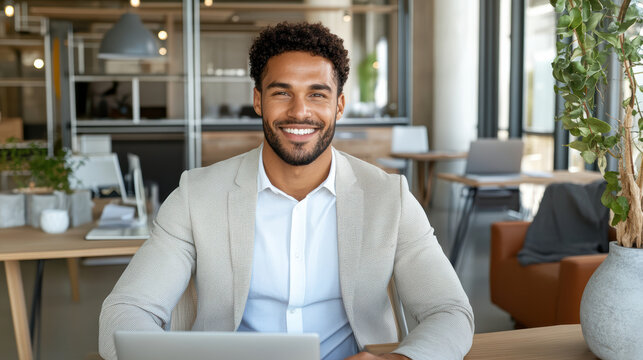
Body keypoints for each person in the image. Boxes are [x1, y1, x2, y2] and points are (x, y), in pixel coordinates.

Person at [99, 22, 474, 360]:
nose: (300, 112)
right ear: (258, 100)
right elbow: (126, 310)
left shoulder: (389, 197)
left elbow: (450, 311)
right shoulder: (196, 195)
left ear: (339, 105)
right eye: (282, 93)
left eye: (317, 94)